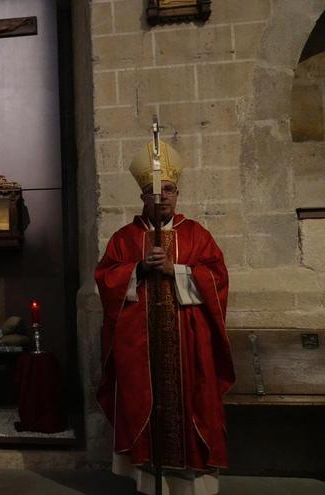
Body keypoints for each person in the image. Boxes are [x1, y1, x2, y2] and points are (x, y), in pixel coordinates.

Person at [95, 141, 234, 495]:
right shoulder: (125, 239)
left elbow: (217, 279)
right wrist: (138, 268)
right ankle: (147, 482)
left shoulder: (196, 234)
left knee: (192, 407)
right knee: (144, 404)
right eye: (154, 192)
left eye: (169, 190)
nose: (163, 198)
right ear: (143, 196)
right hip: (140, 348)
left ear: (177, 192)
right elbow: (105, 278)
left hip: (188, 347)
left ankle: (192, 487)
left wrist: (179, 270)